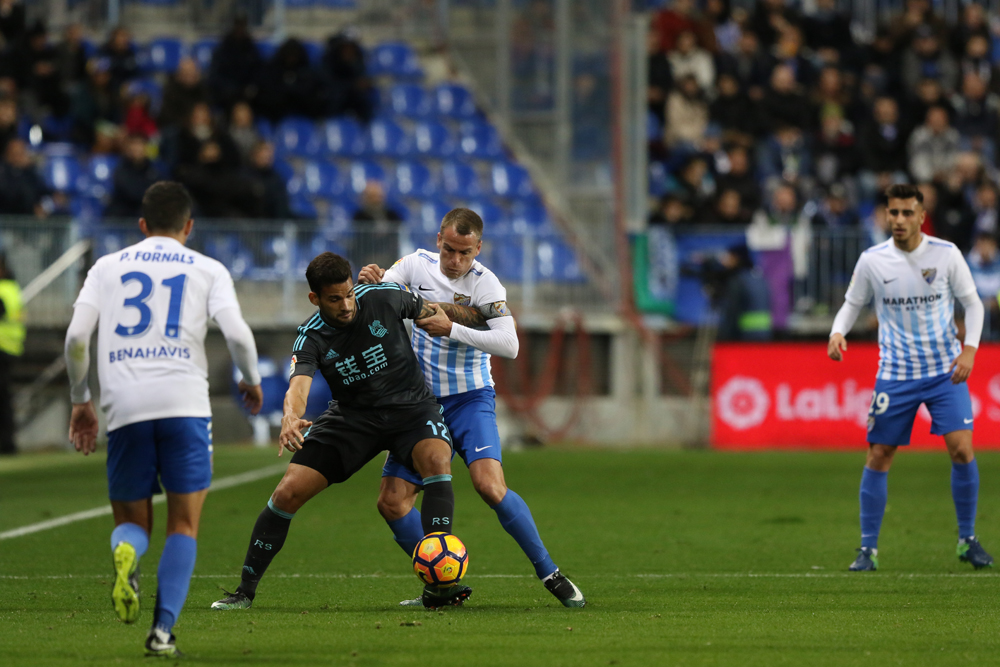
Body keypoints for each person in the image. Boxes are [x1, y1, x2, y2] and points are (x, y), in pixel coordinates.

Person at [210, 251, 498, 612]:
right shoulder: (310, 337)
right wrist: (289, 416)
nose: (346, 305)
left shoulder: (382, 296)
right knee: (286, 493)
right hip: (352, 419)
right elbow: (298, 385)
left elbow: (434, 312)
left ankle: (441, 585)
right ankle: (244, 591)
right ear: (315, 299)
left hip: (411, 409)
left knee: (437, 460)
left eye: (348, 293)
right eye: (334, 299)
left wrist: (482, 315)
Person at [63, 182, 263, 656]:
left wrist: (80, 400)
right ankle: (162, 632)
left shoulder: (106, 268)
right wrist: (251, 378)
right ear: (189, 227)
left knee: (133, 520)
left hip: (124, 406)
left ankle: (124, 552)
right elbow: (236, 332)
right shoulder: (208, 268)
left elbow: (75, 337)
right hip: (185, 406)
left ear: (141, 225)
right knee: (183, 524)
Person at [358, 208, 586, 609]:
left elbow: (510, 344)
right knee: (391, 502)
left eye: (465, 253)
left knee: (489, 485)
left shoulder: (486, 284)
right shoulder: (414, 265)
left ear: (478, 248)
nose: (455, 260)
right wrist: (371, 282)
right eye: (449, 250)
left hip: (470, 398)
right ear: (438, 241)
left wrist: (453, 328)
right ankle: (443, 587)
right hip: (422, 405)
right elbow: (382, 297)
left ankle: (551, 573)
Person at [828, 183, 992, 572]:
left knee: (962, 450)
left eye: (906, 213)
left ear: (921, 216)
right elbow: (852, 304)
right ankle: (867, 550)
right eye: (893, 212)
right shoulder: (872, 260)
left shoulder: (946, 254)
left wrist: (969, 349)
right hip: (896, 374)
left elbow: (973, 304)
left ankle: (967, 540)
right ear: (886, 215)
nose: (899, 220)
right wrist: (838, 331)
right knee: (879, 454)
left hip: (943, 372)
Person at [0, 251, 24, 455]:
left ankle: (6, 444)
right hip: (11, 348)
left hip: (2, 348)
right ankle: (8, 443)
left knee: (3, 400)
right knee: (5, 399)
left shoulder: (2, 290)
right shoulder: (13, 288)